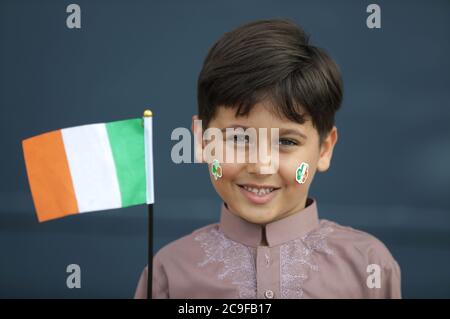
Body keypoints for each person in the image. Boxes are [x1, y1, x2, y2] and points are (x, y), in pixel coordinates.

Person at [134, 18, 401, 299]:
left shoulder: (369, 266)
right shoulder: (169, 273)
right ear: (201, 141)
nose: (261, 166)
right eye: (238, 139)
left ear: (324, 149)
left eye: (286, 141)